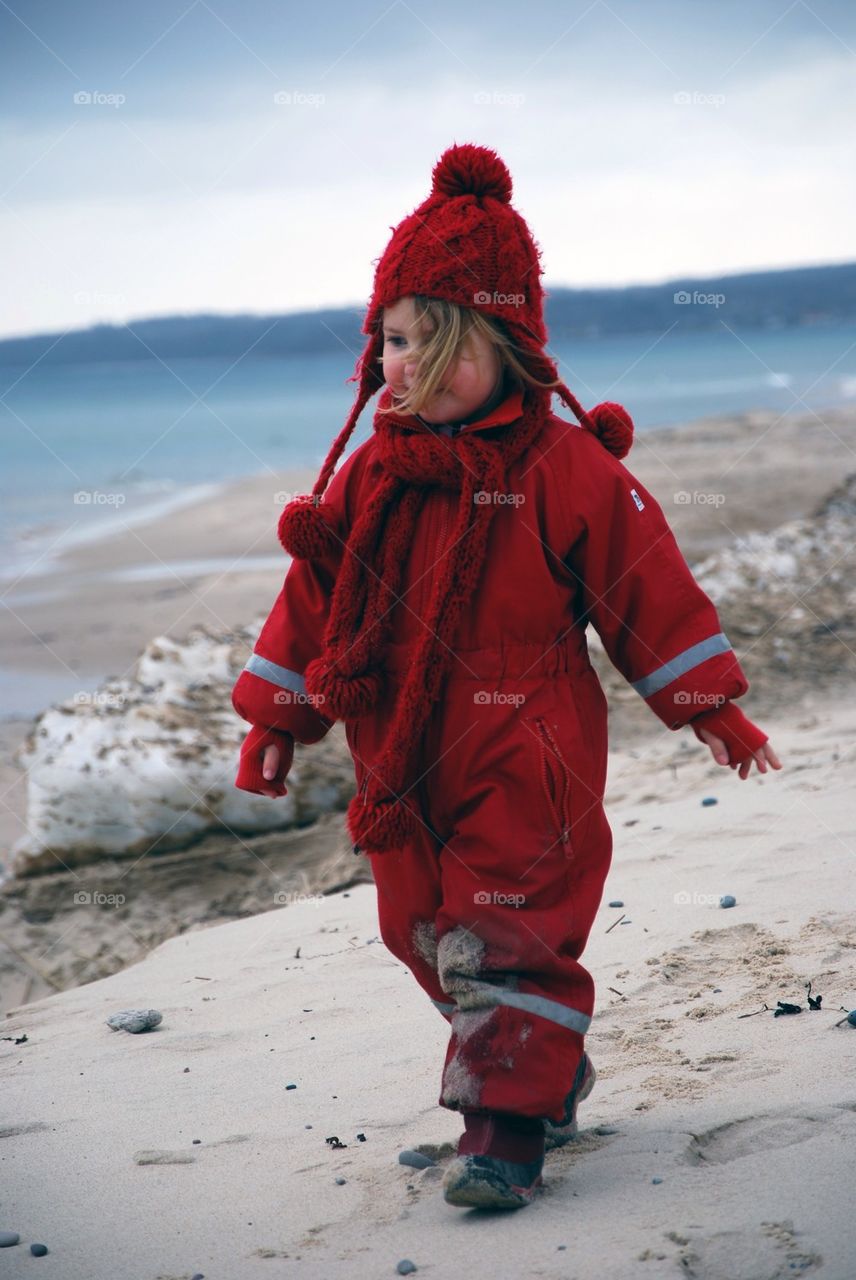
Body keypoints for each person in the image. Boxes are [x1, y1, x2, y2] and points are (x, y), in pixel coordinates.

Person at [230, 142, 782, 1211]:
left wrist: (708, 701)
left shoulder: (563, 465)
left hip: (525, 747)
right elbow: (315, 595)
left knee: (505, 925)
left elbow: (643, 580)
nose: (405, 368)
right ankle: (540, 1067)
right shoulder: (370, 473)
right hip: (397, 752)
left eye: (434, 347)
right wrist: (278, 717)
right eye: (391, 340)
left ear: (507, 347)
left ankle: (503, 1134)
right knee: (422, 931)